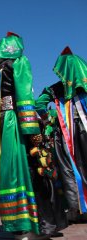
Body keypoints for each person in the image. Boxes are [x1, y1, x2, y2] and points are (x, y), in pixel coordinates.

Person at [0, 32, 48, 240]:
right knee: (23, 169)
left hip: (0, 124)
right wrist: (32, 130)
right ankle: (27, 229)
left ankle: (16, 229)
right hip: (16, 121)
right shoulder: (19, 63)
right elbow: (25, 96)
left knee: (8, 172)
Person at [35, 47, 87, 223]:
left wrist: (49, 118)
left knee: (69, 168)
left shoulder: (54, 90)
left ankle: (78, 209)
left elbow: (39, 104)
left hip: (65, 135)